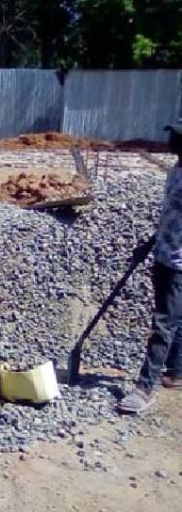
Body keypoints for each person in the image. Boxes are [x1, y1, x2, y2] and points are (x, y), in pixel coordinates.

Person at [118, 119, 182, 414]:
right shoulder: (176, 171)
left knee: (164, 323)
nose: (172, 141)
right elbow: (172, 215)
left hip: (177, 263)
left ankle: (144, 388)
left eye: (177, 137)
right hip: (164, 254)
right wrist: (151, 242)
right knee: (175, 318)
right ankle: (176, 371)